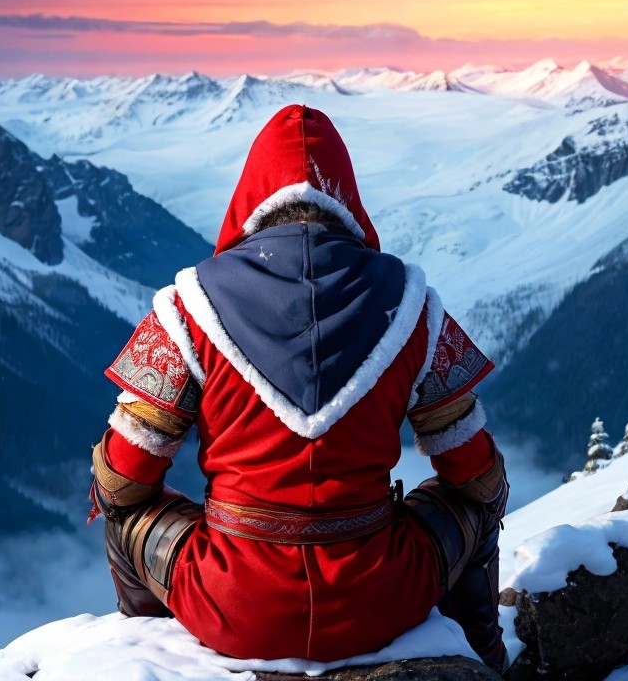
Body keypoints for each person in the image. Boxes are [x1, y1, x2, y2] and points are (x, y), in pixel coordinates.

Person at [87, 104, 509, 672]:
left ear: (250, 193)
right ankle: (484, 662)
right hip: (381, 600)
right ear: (347, 192)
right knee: (470, 508)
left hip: (231, 607)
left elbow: (122, 479)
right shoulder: (413, 302)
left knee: (126, 520)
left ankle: (154, 661)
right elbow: (475, 474)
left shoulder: (187, 306)